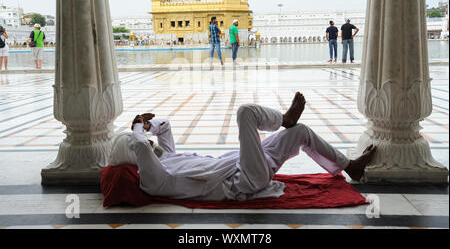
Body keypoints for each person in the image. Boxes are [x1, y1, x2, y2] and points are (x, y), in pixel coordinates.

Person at [125, 92, 377, 201]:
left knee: (301, 132)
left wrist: (148, 126)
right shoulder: (152, 180)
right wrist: (137, 127)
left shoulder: (166, 159)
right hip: (243, 179)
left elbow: (165, 126)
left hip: (251, 163)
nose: (150, 145)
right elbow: (141, 147)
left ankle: (350, 167)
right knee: (246, 112)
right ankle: (283, 119)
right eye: (147, 145)